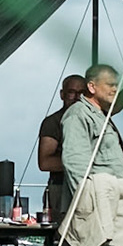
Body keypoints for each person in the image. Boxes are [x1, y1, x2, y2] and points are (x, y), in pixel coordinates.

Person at [60, 63, 123, 195]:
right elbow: (75, 164)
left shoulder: (100, 115)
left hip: (117, 195)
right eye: (110, 84)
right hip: (100, 199)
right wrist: (88, 200)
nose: (115, 89)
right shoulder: (78, 114)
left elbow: (119, 104)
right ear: (92, 87)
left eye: (116, 85)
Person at [37, 74, 88, 224]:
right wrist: (81, 163)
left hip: (87, 187)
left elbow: (114, 104)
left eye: (82, 93)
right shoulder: (53, 122)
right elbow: (44, 163)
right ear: (62, 94)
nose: (77, 97)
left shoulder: (92, 120)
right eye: (72, 92)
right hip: (60, 188)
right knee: (62, 237)